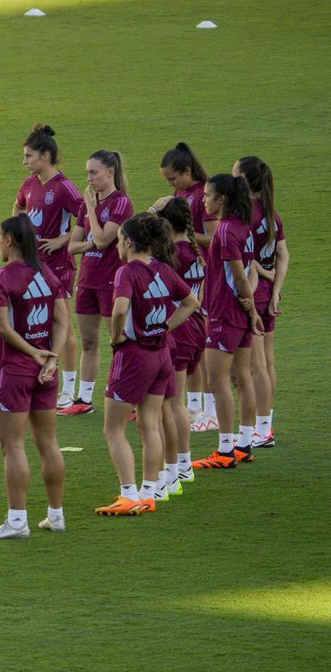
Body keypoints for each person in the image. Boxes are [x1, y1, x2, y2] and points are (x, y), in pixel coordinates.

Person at [95, 214, 198, 516]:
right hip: (161, 354)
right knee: (150, 423)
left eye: (118, 240)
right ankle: (150, 492)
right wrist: (165, 328)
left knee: (113, 429)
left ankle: (129, 494)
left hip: (134, 356)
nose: (117, 246)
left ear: (128, 242)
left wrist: (116, 337)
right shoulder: (163, 269)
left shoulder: (127, 272)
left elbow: (119, 310)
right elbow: (191, 302)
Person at [0, 216, 68, 539]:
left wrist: (34, 353)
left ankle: (17, 521)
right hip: (46, 371)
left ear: (9, 240)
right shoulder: (47, 273)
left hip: (14, 370)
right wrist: (52, 357)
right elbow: (62, 321)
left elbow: (3, 328)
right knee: (48, 442)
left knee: (13, 446)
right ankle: (56, 515)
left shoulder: (3, 277)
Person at [12, 124, 85, 407]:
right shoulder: (29, 184)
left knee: (63, 325)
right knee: (37, 322)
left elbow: (86, 219)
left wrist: (62, 240)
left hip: (59, 267)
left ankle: (68, 389)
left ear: (45, 156)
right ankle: (41, 379)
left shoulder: (64, 187)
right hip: (34, 267)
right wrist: (20, 235)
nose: (24, 161)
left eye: (28, 156)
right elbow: (18, 208)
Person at [192, 174, 262, 470]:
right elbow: (248, 269)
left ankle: (224, 450)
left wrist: (252, 307)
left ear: (222, 199)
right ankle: (243, 444)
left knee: (217, 380)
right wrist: (251, 308)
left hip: (224, 313)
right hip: (237, 313)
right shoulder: (244, 227)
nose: (203, 200)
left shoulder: (224, 230)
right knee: (241, 377)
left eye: (207, 195)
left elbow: (239, 276)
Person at [60, 149, 134, 416]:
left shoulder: (121, 203)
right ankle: (84, 399)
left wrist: (91, 210)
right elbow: (72, 246)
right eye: (87, 173)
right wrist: (92, 241)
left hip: (112, 282)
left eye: (94, 172)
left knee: (119, 343)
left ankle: (128, 399)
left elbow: (103, 240)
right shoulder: (87, 204)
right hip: (88, 280)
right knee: (89, 343)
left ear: (110, 172)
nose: (89, 178)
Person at [151, 142, 215, 430]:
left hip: (201, 275)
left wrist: (180, 236)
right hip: (193, 274)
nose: (171, 184)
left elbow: (213, 238)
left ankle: (204, 410)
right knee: (193, 354)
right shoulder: (180, 195)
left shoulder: (203, 194)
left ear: (187, 170)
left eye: (173, 178)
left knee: (198, 351)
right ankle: (194, 407)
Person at [155, 199, 206, 497]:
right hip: (195, 327)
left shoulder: (176, 254)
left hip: (180, 329)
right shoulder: (192, 251)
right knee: (177, 402)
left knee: (172, 405)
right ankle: (183, 465)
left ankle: (178, 468)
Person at [237, 156, 286, 450]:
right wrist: (276, 289)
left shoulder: (246, 215)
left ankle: (262, 430)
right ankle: (265, 424)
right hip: (268, 293)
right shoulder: (271, 213)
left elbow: (247, 261)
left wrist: (262, 274)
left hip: (254, 293)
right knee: (267, 362)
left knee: (255, 367)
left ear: (245, 180)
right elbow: (283, 254)